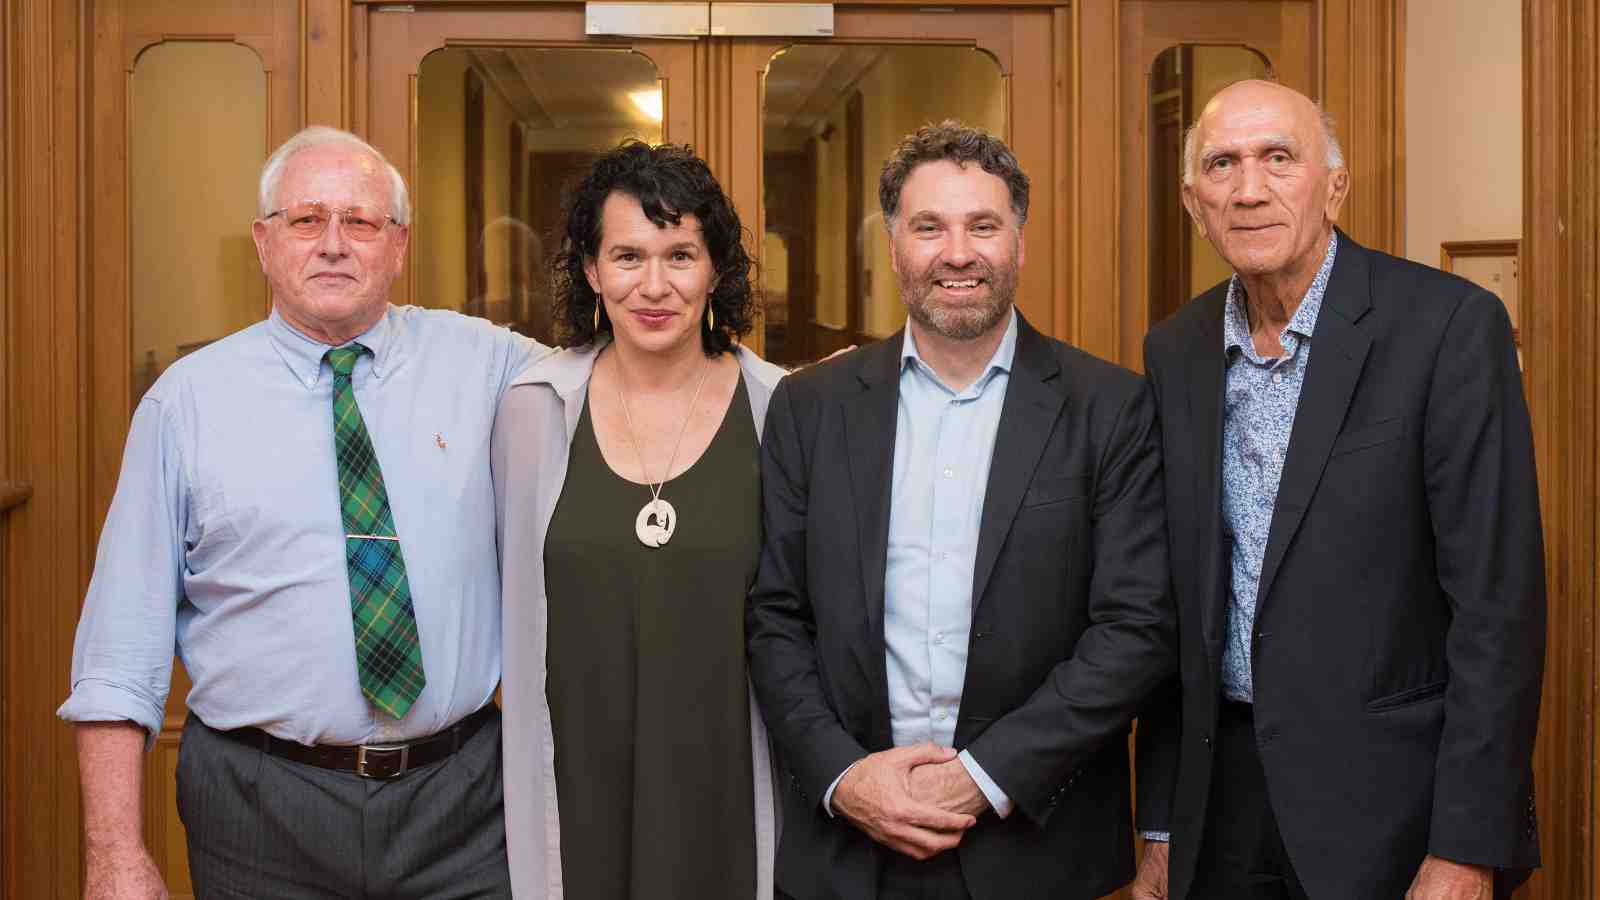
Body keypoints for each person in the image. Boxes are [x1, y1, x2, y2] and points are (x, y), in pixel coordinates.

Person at [59, 126, 544, 898]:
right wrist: (114, 852)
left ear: (398, 245)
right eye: (306, 219)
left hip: (460, 804)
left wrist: (791, 392)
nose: (334, 244)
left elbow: (630, 378)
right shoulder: (186, 403)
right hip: (261, 805)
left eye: (360, 222)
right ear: (263, 241)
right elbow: (119, 657)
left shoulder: (488, 364)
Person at [1134, 80, 1544, 900]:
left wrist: (1467, 843)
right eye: (1222, 165)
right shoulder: (1173, 352)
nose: (1248, 189)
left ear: (1335, 185)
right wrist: (1160, 824)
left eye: (1278, 158)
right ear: (1192, 201)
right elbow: (1177, 612)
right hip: (1224, 804)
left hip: (1394, 812)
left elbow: (1498, 607)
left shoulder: (1448, 329)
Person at [746, 120, 1176, 900]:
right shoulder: (810, 408)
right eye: (929, 227)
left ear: (1020, 238)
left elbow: (1135, 630)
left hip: (1036, 850)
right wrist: (846, 777)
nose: (957, 253)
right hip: (848, 850)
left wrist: (982, 777)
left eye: (983, 225)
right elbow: (775, 616)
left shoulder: (1109, 409)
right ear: (893, 243)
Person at [492, 141, 785, 899]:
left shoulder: (782, 412)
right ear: (590, 270)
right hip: (575, 794)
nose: (654, 286)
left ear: (717, 269)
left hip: (729, 795)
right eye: (627, 256)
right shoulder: (531, 410)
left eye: (680, 255)